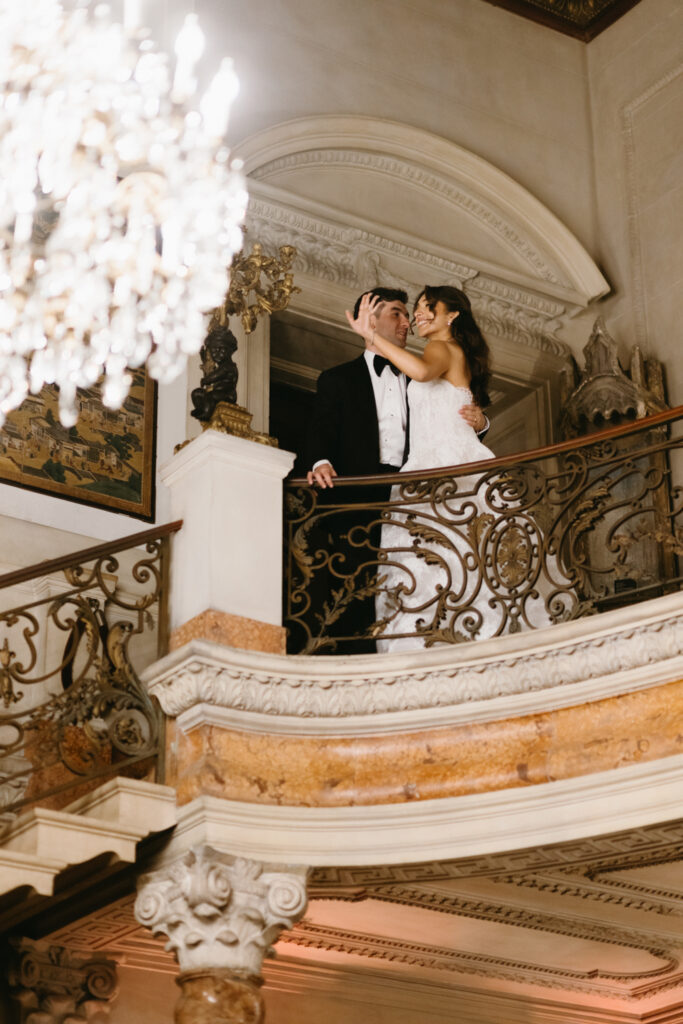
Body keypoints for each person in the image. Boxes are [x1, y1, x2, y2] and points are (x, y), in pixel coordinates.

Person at [345, 285, 567, 653]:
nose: (419, 313)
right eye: (417, 308)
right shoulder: (453, 352)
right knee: (467, 553)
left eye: (429, 306)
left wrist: (371, 336)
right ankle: (483, 628)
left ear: (452, 315)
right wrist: (480, 423)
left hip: (441, 465)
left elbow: (421, 371)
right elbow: (452, 405)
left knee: (437, 553)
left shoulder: (439, 347)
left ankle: (437, 635)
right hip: (446, 458)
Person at [302, 287, 487, 654]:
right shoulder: (338, 379)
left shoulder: (421, 368)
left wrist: (481, 422)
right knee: (357, 585)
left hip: (414, 489)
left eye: (412, 313)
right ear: (371, 319)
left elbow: (448, 412)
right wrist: (319, 460)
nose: (407, 322)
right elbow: (319, 428)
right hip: (359, 494)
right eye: (398, 314)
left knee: (429, 570)